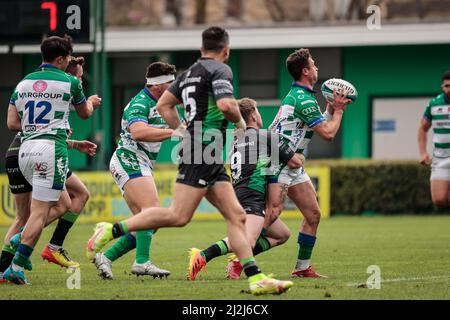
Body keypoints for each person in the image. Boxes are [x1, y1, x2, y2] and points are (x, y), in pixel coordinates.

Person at [87, 26, 293, 295]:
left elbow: (164, 107)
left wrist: (182, 131)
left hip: (205, 152)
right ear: (226, 50)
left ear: (200, 49)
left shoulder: (188, 74)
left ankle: (255, 278)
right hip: (202, 152)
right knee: (177, 216)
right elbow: (226, 106)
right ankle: (111, 229)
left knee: (237, 215)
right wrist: (241, 123)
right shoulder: (220, 70)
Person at [4, 35, 98, 284]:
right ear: (60, 58)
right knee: (40, 213)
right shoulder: (70, 82)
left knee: (59, 204)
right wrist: (91, 102)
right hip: (50, 150)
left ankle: (19, 244)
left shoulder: (23, 83)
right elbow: (85, 114)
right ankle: (16, 265)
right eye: (68, 57)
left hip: (25, 149)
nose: (69, 62)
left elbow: (12, 123)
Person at [188, 97, 304, 280]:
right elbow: (295, 162)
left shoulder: (237, 140)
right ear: (253, 116)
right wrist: (300, 156)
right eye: (257, 111)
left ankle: (236, 262)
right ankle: (203, 255)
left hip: (239, 191)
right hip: (252, 193)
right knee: (247, 240)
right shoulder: (265, 135)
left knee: (282, 234)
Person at [265, 48, 351, 278]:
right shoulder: (303, 99)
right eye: (313, 65)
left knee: (312, 214)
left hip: (292, 164)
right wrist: (340, 111)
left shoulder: (303, 97)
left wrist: (331, 107)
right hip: (280, 162)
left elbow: (319, 122)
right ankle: (237, 258)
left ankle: (302, 268)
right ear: (305, 71)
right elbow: (328, 133)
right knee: (271, 215)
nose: (317, 68)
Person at [92, 62, 176, 280]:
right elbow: (138, 132)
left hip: (140, 162)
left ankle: (106, 257)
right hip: (128, 158)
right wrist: (173, 132)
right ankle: (142, 262)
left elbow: (183, 127)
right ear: (158, 85)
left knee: (148, 222)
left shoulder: (164, 104)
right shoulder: (140, 103)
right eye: (171, 83)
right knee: (152, 210)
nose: (174, 88)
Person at [418, 71, 450, 209]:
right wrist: (423, 153)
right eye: (447, 85)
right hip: (440, 157)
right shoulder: (434, 104)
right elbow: (423, 128)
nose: (449, 89)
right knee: (439, 199)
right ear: (443, 86)